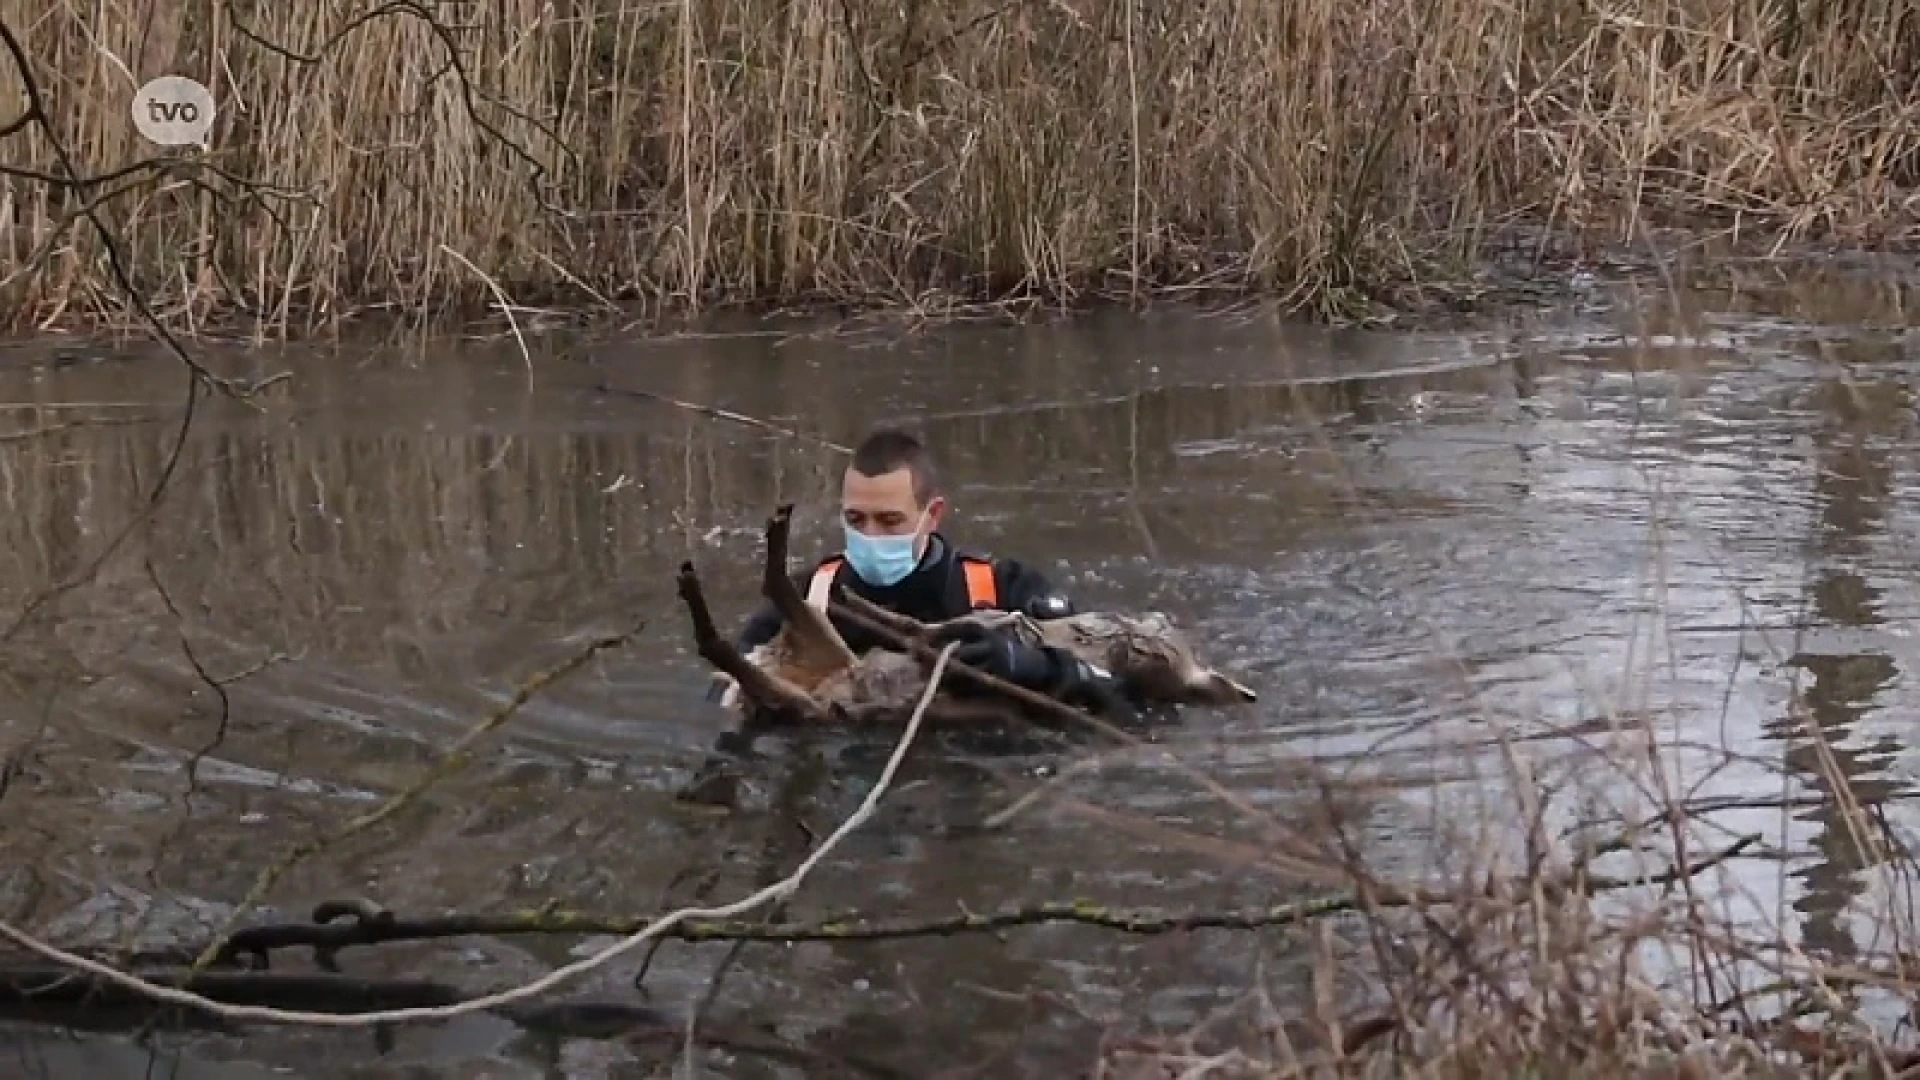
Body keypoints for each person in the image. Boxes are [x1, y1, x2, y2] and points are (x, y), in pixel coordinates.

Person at [729, 426, 1126, 715]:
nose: (871, 535)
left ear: (932, 515)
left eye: (889, 520)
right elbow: (723, 697)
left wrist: (1028, 665)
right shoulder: (802, 598)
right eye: (856, 519)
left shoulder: (1002, 589)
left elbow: (1121, 693)